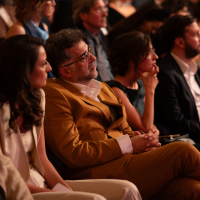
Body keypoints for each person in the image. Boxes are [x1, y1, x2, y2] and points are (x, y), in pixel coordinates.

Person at [44, 28, 200, 200]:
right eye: (83, 57)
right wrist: (129, 144)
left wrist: (144, 142)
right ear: (66, 71)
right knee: (184, 151)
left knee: (192, 189)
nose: (93, 58)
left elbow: (125, 129)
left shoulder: (102, 87)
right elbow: (73, 153)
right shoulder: (54, 94)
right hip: (101, 173)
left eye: (89, 51)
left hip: (131, 161)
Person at [0, 34, 142, 200]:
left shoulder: (37, 98)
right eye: (43, 63)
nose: (50, 68)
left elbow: (43, 161)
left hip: (41, 181)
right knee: (95, 199)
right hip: (15, 190)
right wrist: (65, 195)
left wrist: (67, 192)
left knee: (127, 189)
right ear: (23, 69)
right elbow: (7, 177)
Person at [155, 15, 200, 142]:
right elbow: (177, 123)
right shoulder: (165, 74)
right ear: (180, 42)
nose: (199, 38)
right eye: (196, 34)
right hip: (190, 140)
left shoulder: (194, 67)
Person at [106, 31, 159, 135]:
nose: (155, 57)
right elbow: (145, 128)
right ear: (132, 60)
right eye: (149, 53)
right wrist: (150, 90)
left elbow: (150, 124)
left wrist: (155, 130)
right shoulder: (115, 90)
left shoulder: (140, 83)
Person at [5, 0, 56, 78]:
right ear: (35, 3)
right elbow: (12, 67)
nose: (54, 3)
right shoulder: (18, 29)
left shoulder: (44, 27)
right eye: (50, 0)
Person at [72, 0, 114, 82]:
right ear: (83, 15)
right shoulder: (76, 41)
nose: (105, 14)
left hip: (110, 85)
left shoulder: (102, 35)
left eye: (104, 8)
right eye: (98, 9)